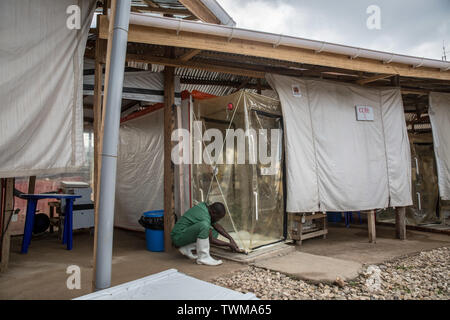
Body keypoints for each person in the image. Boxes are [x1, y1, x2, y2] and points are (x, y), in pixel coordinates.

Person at [171, 202, 243, 266]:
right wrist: (229, 244)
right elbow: (211, 240)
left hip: (184, 233)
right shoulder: (204, 217)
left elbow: (216, 226)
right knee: (204, 226)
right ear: (213, 212)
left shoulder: (205, 208)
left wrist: (230, 239)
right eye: (218, 218)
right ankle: (203, 257)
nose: (218, 220)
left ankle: (187, 248)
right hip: (178, 237)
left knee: (213, 232)